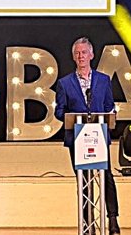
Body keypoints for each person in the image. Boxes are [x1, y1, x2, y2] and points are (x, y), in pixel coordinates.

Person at [55, 37, 121, 234]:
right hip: (77, 138)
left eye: (84, 52)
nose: (80, 56)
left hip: (99, 136)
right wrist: (74, 117)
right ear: (73, 57)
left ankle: (112, 219)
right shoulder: (64, 83)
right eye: (77, 53)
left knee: (107, 177)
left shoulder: (103, 80)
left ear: (91, 55)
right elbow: (59, 111)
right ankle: (87, 221)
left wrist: (110, 115)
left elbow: (109, 106)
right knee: (82, 180)